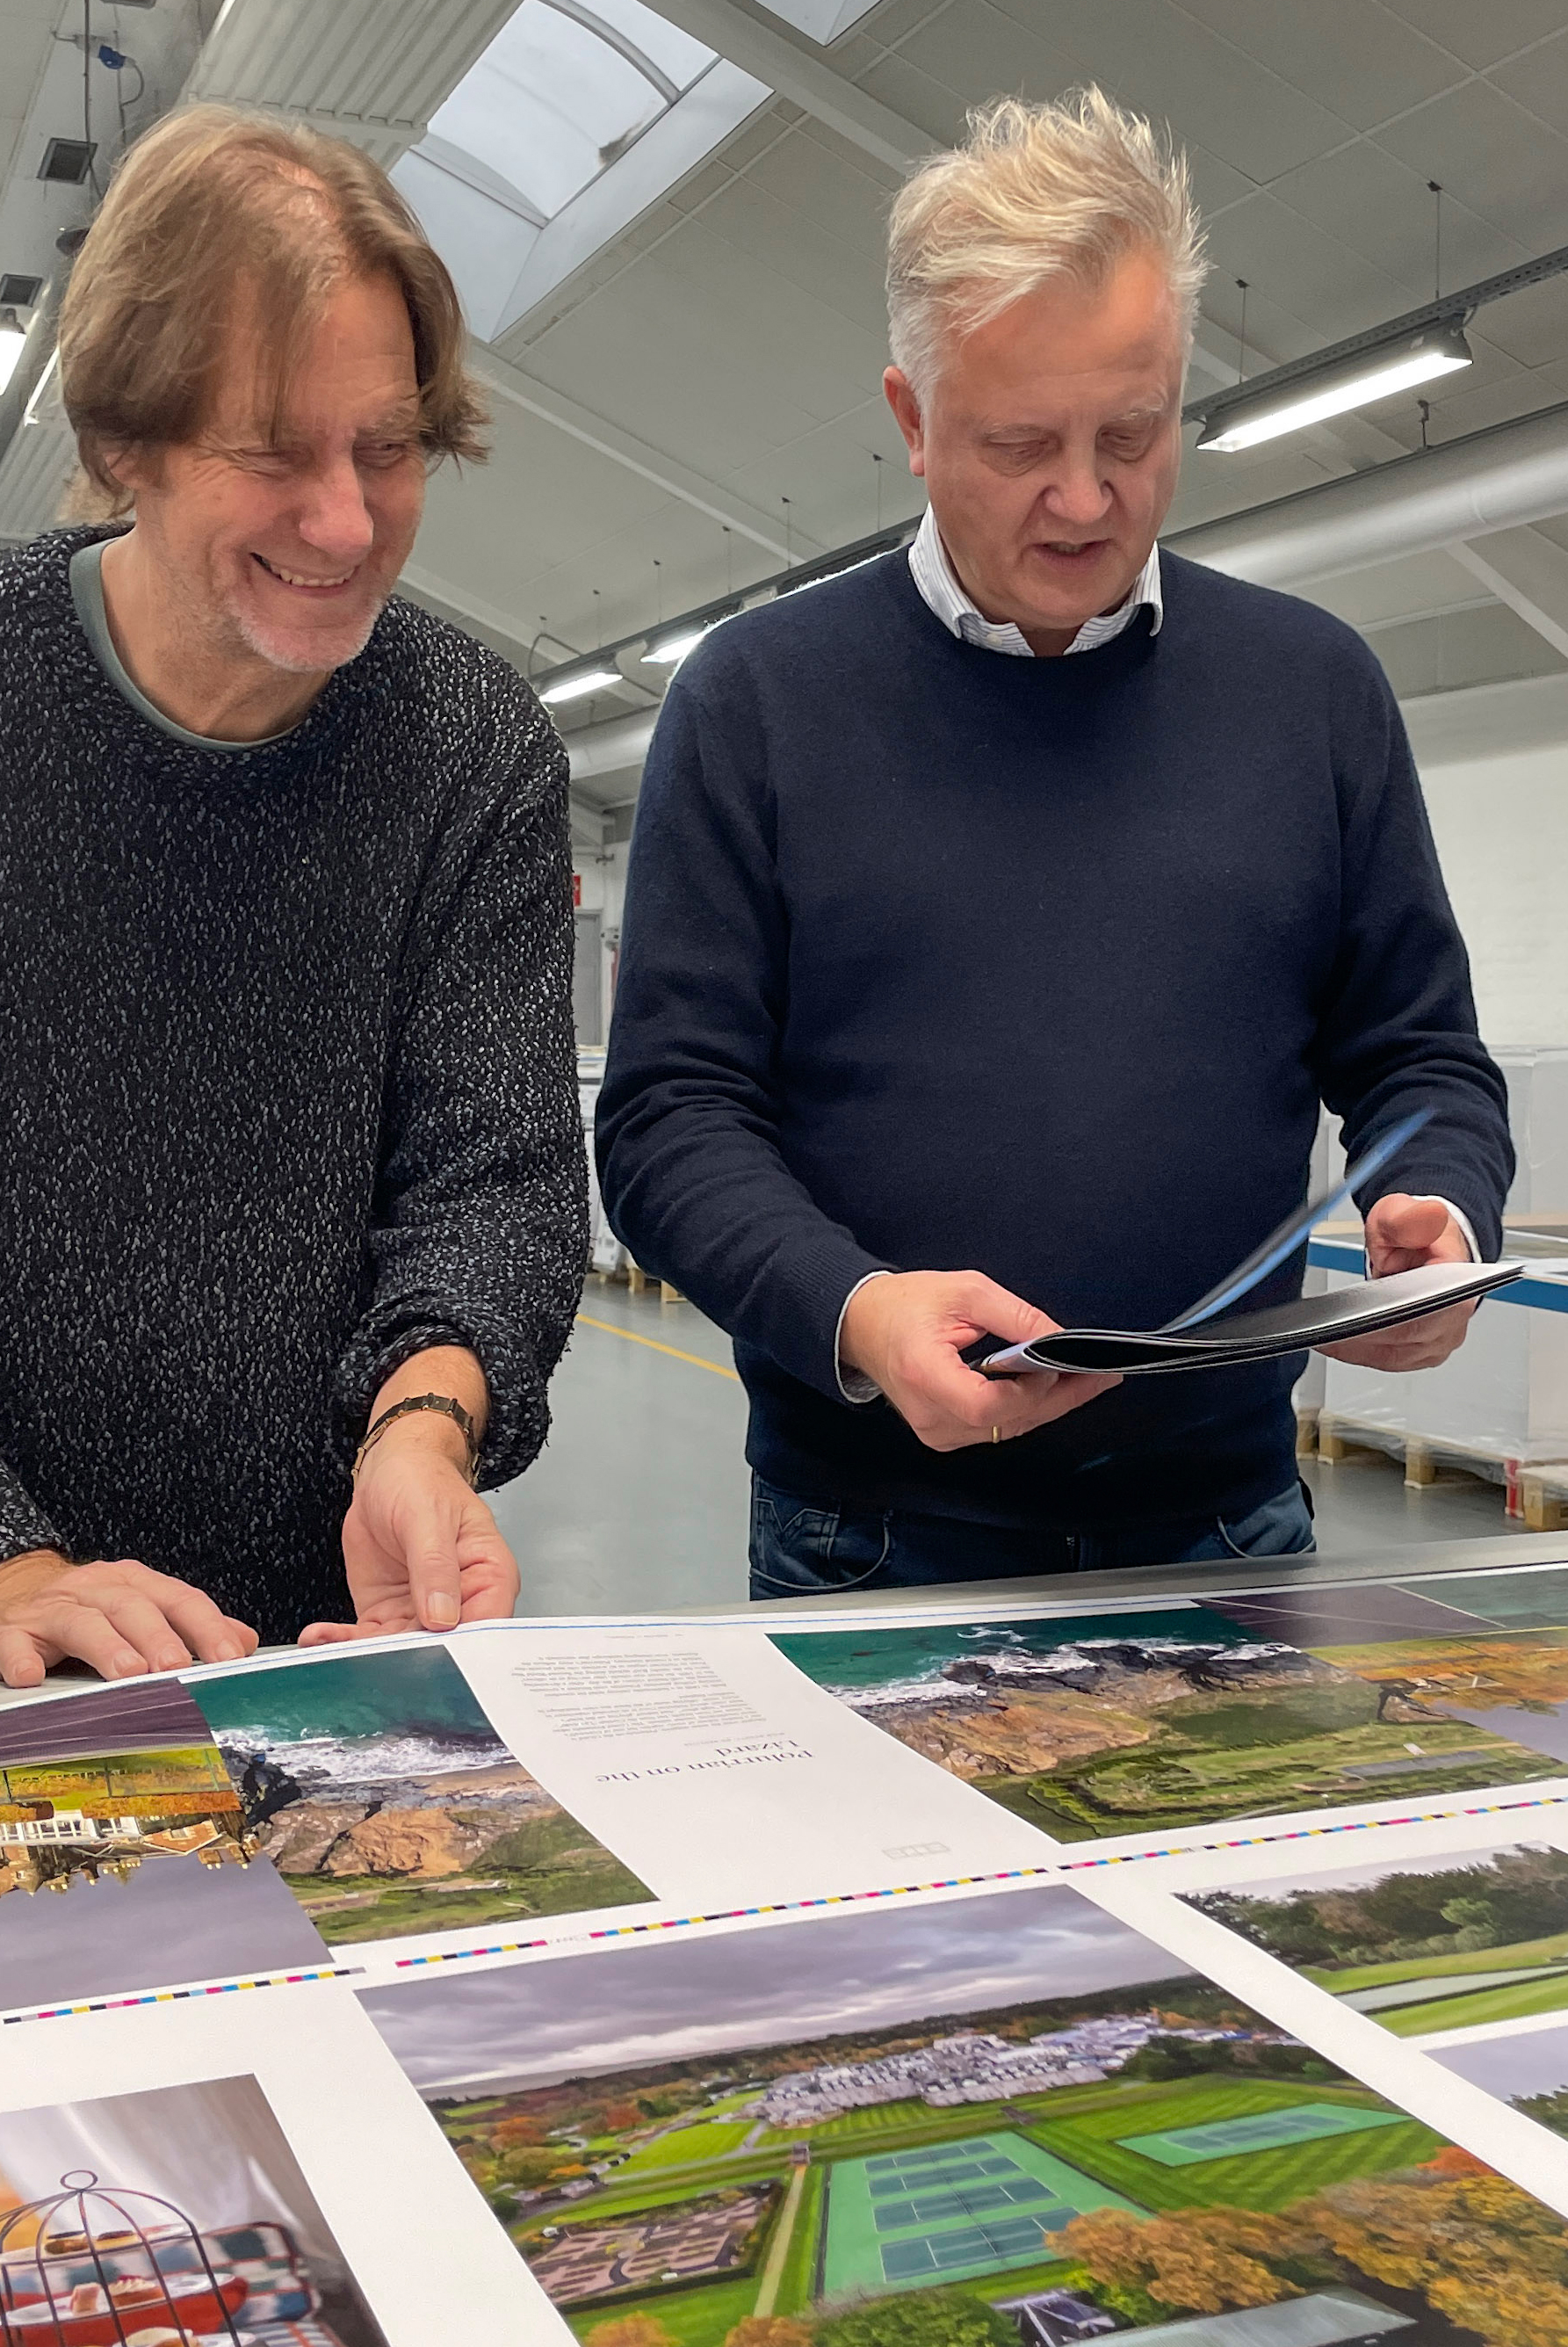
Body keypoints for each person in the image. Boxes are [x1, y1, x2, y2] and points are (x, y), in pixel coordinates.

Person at [598, 90, 1514, 1598]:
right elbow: (667, 1120)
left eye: (1132, 435)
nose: (1086, 499)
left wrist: (1447, 1208)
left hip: (1229, 1523)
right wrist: (853, 1308)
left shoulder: (1312, 692)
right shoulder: (758, 703)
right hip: (868, 1539)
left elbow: (1422, 1059)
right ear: (910, 419)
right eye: (1019, 443)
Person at [0, 105, 586, 1696]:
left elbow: (498, 1176)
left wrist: (423, 1424)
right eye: (273, 454)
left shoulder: (470, 749)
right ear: (125, 442)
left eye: (387, 448)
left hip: (289, 1648)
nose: (346, 523)